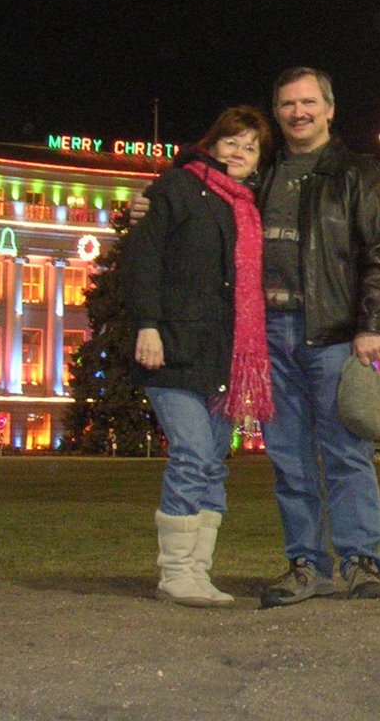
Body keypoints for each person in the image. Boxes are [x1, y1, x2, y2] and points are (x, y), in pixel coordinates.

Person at [256, 66, 380, 607]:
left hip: (336, 332)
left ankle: (361, 560)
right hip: (271, 332)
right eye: (289, 104)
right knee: (288, 457)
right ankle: (305, 564)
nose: (299, 112)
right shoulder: (262, 174)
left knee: (346, 453)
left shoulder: (357, 174)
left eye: (309, 102)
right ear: (277, 113)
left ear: (330, 108)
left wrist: (371, 325)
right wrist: (152, 208)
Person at [125, 105, 275, 608]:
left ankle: (197, 570)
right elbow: (144, 260)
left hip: (223, 356)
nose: (240, 152)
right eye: (232, 141)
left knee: (212, 464)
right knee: (192, 454)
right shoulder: (177, 189)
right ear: (212, 145)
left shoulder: (247, 208)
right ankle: (174, 572)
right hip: (174, 348)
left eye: (250, 147)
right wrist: (148, 323)